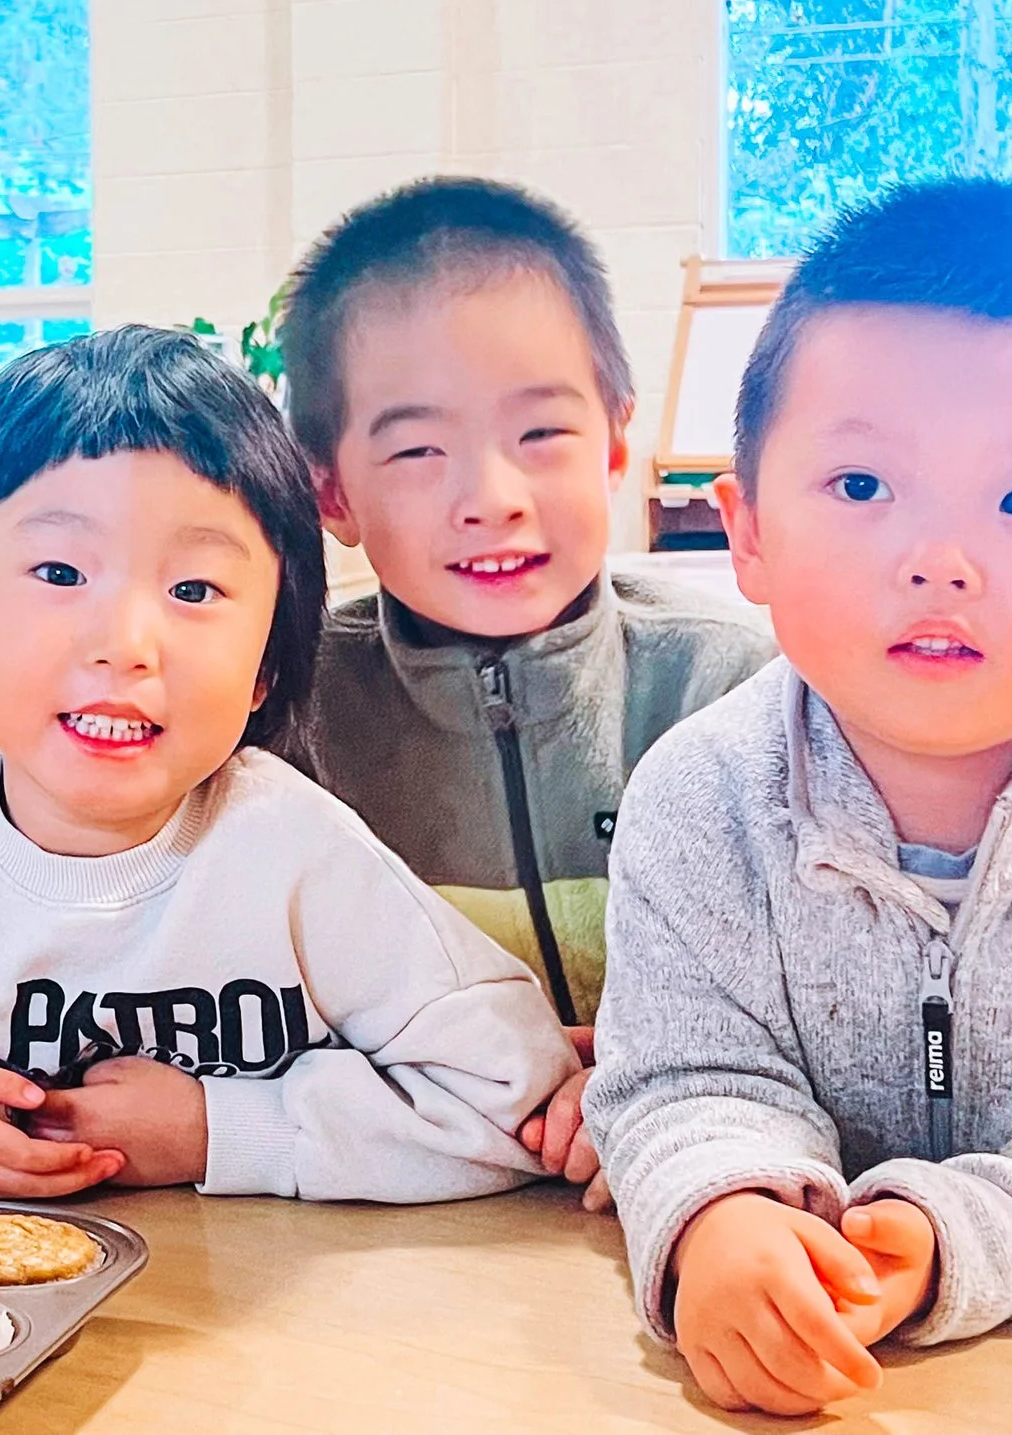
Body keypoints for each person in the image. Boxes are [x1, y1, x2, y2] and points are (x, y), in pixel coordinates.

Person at [587, 180, 1012, 1416]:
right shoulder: (696, 800)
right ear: (743, 534)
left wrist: (949, 1233)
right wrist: (724, 1216)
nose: (937, 557)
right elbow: (684, 1079)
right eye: (860, 487)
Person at [0, 326, 578, 1201]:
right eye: (57, 569)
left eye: (193, 590)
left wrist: (218, 1131)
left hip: (250, 1303)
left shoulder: (299, 859)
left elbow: (512, 1096)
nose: (124, 645)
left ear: (268, 661)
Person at [279, 178, 771, 1200]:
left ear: (616, 440)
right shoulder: (287, 716)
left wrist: (646, 1082)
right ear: (330, 490)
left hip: (688, 1214)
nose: (490, 500)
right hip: (384, 1236)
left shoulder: (735, 688)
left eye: (541, 434)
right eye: (418, 450)